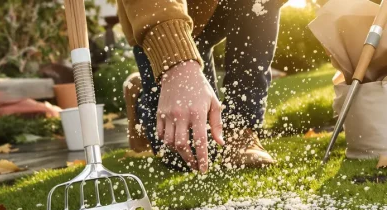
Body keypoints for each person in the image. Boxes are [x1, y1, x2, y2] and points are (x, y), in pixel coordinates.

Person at [117, 0, 287, 173]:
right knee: (190, 156)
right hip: (156, 13)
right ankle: (140, 98)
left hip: (219, 6)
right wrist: (176, 65)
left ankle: (240, 131)